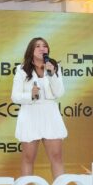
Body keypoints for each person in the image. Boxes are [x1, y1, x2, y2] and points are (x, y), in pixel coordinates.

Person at [11, 36, 67, 177]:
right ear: (31, 50)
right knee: (28, 157)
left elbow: (59, 92)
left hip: (50, 114)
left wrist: (52, 74)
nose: (42, 48)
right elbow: (15, 96)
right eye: (38, 46)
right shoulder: (22, 70)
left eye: (45, 46)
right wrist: (30, 95)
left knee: (56, 156)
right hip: (30, 114)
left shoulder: (54, 67)